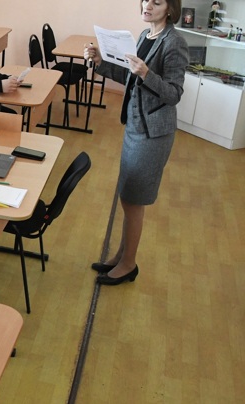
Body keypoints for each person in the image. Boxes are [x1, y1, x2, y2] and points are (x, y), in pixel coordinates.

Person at [85, 0, 187, 285]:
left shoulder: (174, 42)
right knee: (127, 195)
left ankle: (128, 264)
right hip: (134, 126)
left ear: (170, 8)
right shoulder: (145, 35)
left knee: (134, 200)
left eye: (157, 1)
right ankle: (121, 256)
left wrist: (146, 73)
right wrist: (100, 62)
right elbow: (131, 78)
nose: (147, 4)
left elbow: (174, 93)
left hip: (153, 133)